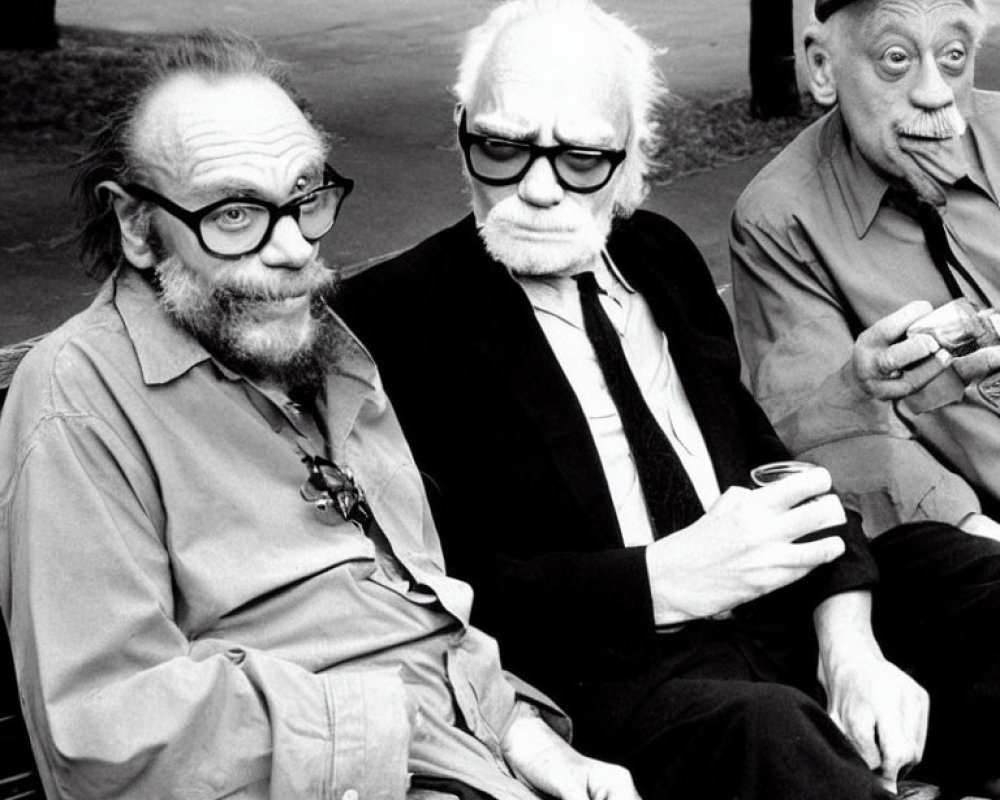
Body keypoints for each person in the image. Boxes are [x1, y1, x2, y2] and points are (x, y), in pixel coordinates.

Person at [338, 1, 1000, 797]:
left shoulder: (658, 254)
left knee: (964, 576)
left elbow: (772, 466)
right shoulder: (391, 316)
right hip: (615, 667)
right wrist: (660, 577)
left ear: (630, 157)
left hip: (776, 613)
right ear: (460, 131)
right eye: (502, 148)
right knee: (768, 733)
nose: (538, 188)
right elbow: (434, 586)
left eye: (580, 157)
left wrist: (849, 642)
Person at [0, 29, 642, 800]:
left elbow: (418, 615)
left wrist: (532, 742)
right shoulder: (78, 401)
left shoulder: (332, 355)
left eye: (305, 197)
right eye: (236, 214)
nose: (294, 249)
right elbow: (105, 735)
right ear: (138, 226)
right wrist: (405, 729)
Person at [731, 0, 1000, 539]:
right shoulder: (780, 219)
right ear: (823, 68)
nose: (935, 93)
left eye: (953, 56)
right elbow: (828, 430)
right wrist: (973, 532)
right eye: (896, 58)